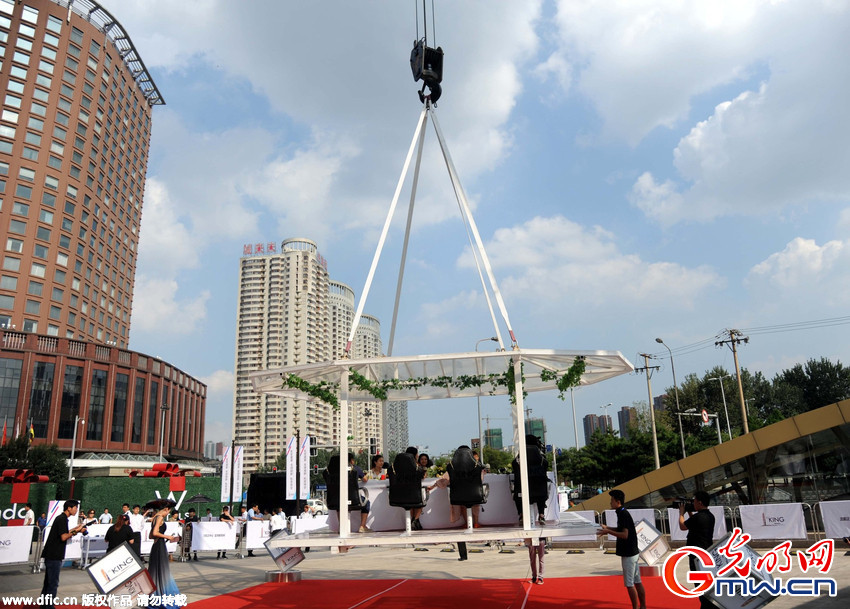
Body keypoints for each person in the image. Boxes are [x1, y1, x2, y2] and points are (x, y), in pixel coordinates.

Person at [597, 490, 646, 609]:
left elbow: (624, 535)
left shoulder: (623, 514)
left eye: (612, 500)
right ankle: (643, 606)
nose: (610, 502)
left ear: (618, 502)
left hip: (629, 553)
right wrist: (607, 527)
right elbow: (621, 529)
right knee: (637, 581)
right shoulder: (622, 512)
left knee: (630, 584)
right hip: (632, 551)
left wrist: (608, 531)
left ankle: (636, 607)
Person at [40, 500, 88, 609]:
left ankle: (44, 606)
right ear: (69, 508)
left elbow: (65, 533)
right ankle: (48, 607)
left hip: (51, 554)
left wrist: (77, 529)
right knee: (52, 584)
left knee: (48, 583)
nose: (76, 510)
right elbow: (64, 537)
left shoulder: (61, 519)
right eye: (75, 507)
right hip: (54, 555)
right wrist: (77, 531)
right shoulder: (62, 519)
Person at [679, 491, 715, 608]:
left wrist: (681, 513)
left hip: (696, 556)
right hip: (706, 553)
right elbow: (695, 524)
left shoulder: (698, 517)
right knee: (705, 583)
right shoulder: (709, 516)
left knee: (700, 585)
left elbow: (683, 526)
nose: (693, 504)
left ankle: (706, 606)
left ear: (699, 502)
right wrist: (689, 511)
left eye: (694, 501)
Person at [144, 499, 181, 609]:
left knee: (156, 571)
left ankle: (155, 597)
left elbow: (151, 536)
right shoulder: (159, 518)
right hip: (159, 546)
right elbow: (155, 533)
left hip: (156, 546)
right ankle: (163, 596)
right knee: (162, 571)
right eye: (168, 511)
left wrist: (162, 536)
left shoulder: (155, 518)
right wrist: (168, 537)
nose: (168, 513)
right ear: (165, 509)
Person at [347, 453, 372, 533]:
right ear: (352, 460)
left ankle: (342, 527)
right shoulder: (356, 469)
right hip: (354, 498)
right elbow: (365, 479)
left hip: (339, 498)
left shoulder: (338, 469)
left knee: (341, 507)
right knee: (366, 503)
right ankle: (362, 526)